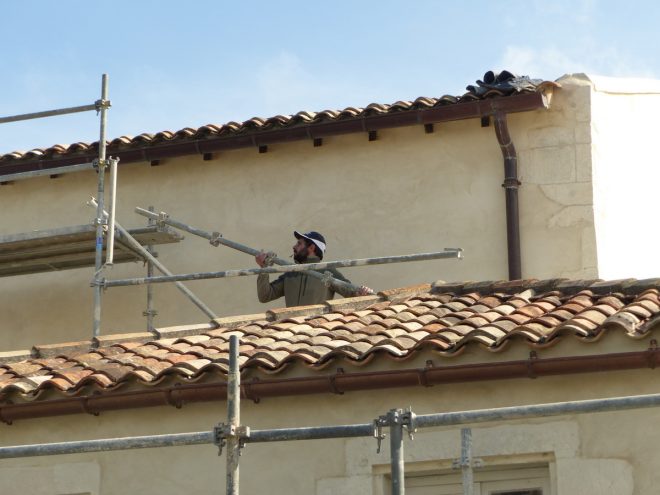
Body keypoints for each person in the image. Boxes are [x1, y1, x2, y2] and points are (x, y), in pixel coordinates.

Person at [255, 230, 372, 307]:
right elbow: (265, 296)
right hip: (290, 332)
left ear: (311, 248)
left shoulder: (327, 273)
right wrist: (263, 269)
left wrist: (362, 293)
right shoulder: (291, 274)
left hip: (316, 332)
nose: (294, 247)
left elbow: (351, 293)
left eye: (299, 244)